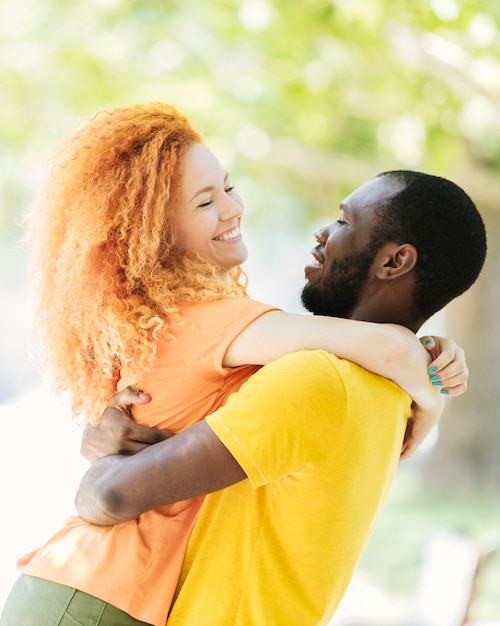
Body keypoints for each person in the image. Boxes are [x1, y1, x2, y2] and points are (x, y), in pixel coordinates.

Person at [0, 100, 471, 626]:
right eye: (204, 203)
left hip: (107, 593)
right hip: (100, 591)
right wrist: (429, 396)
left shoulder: (225, 333)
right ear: (157, 235)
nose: (232, 208)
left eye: (227, 186)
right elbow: (390, 349)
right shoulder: (221, 324)